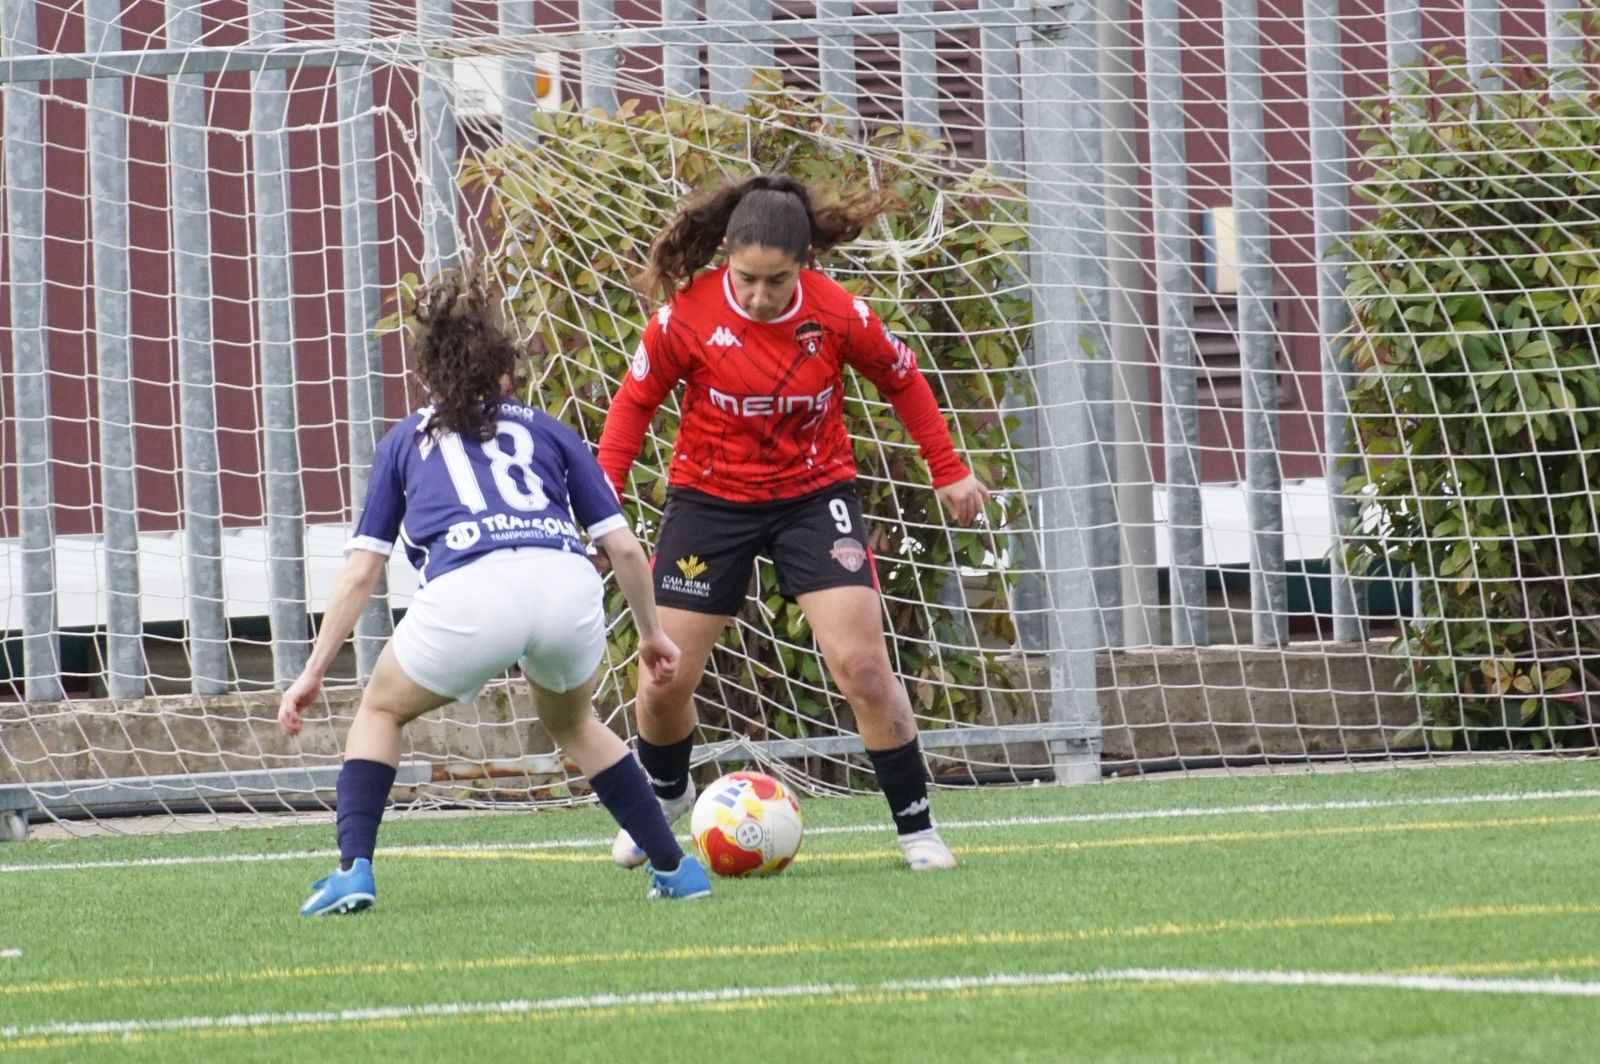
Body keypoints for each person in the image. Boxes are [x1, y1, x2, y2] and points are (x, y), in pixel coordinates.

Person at [278, 256, 711, 915]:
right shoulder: (548, 430)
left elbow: (363, 570)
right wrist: (652, 636)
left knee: (381, 709)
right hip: (566, 584)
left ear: (430, 372)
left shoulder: (404, 440)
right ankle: (677, 869)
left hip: (470, 591)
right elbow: (621, 546)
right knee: (576, 724)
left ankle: (353, 871)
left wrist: (312, 671)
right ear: (504, 370)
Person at [595, 174, 990, 873]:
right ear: (726, 258)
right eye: (745, 278)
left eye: (775, 282)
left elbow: (901, 377)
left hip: (814, 498)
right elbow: (632, 408)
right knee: (664, 678)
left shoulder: (839, 314)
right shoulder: (685, 316)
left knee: (862, 667)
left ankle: (917, 830)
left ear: (803, 263)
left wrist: (948, 467)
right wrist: (602, 511)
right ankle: (664, 789)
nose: (757, 296)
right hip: (709, 500)